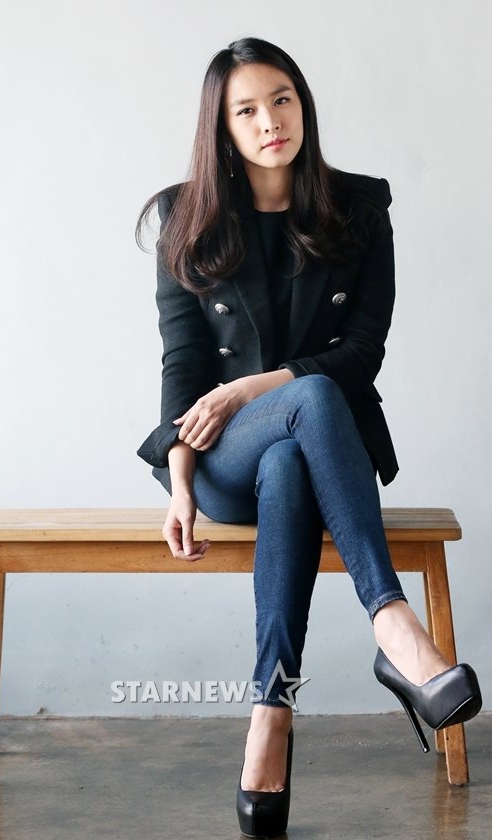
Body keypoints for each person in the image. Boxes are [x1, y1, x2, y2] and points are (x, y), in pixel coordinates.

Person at [135, 37, 481, 839]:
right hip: (222, 461)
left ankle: (271, 713)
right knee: (307, 404)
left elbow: (362, 353)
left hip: (318, 457)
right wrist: (180, 487)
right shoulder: (186, 218)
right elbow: (182, 367)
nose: (270, 121)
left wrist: (254, 386)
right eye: (247, 110)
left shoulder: (358, 208)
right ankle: (392, 624)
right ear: (223, 128)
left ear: (304, 104)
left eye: (282, 99)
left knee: (297, 443)